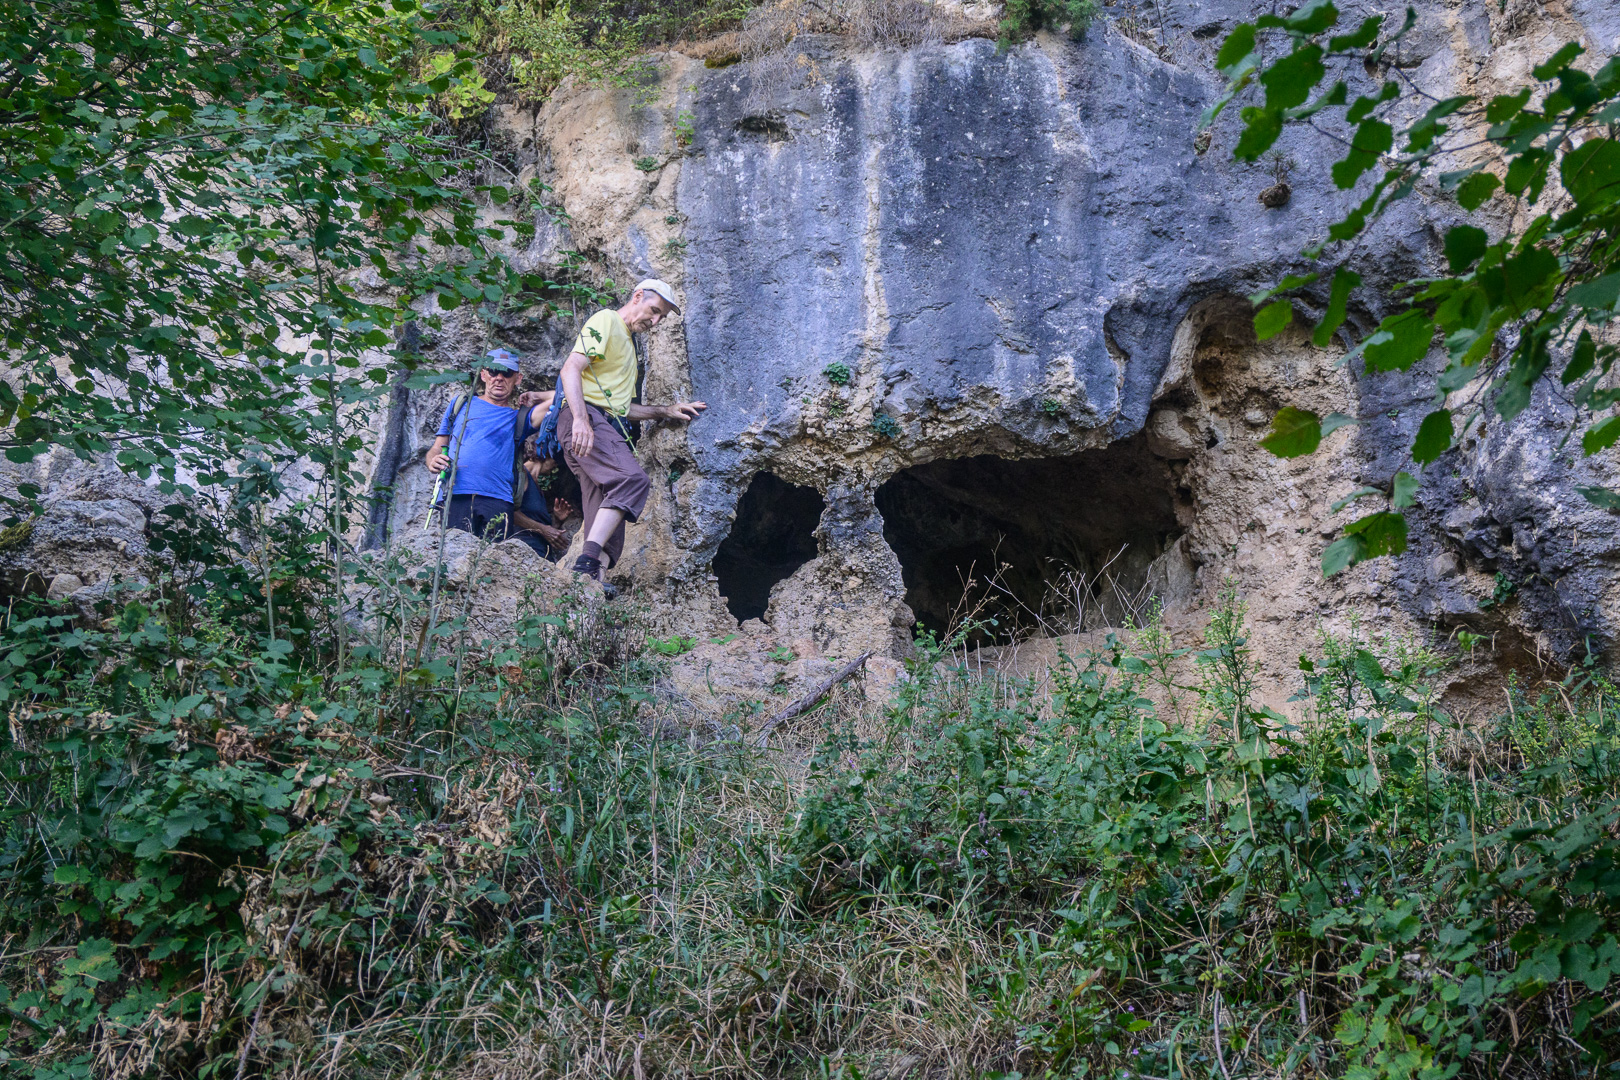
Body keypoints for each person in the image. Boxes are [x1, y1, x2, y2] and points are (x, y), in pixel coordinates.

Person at [558, 279, 706, 582]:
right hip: (587, 419)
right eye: (654, 311)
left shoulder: (628, 344)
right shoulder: (607, 320)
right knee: (632, 480)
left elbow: (622, 408)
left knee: (606, 514)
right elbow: (570, 368)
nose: (655, 321)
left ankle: (589, 587)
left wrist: (665, 411)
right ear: (637, 296)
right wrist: (581, 419)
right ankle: (586, 561)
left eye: (661, 317)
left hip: (599, 420)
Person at [423, 348, 549, 540]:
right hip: (455, 494)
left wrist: (537, 396)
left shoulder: (519, 418)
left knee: (493, 556)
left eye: (506, 373)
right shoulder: (460, 405)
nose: (499, 378)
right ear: (483, 374)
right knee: (453, 554)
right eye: (493, 371)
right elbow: (436, 448)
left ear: (518, 378)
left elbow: (562, 398)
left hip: (498, 499)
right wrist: (433, 461)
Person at [508, 438, 576, 560]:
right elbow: (507, 511)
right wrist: (543, 529)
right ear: (542, 452)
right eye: (554, 458)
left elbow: (543, 529)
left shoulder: (537, 486)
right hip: (521, 552)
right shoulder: (520, 475)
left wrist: (557, 520)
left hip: (540, 554)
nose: (556, 464)